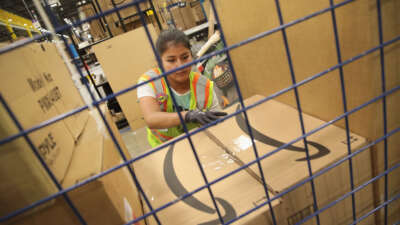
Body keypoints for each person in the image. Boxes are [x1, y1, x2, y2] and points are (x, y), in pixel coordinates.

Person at [137, 29, 227, 147]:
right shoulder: (149, 82)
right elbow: (151, 118)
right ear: (159, 62)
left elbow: (218, 123)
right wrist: (188, 115)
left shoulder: (204, 86)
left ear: (191, 55)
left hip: (198, 144)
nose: (180, 65)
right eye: (171, 60)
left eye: (185, 57)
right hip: (164, 147)